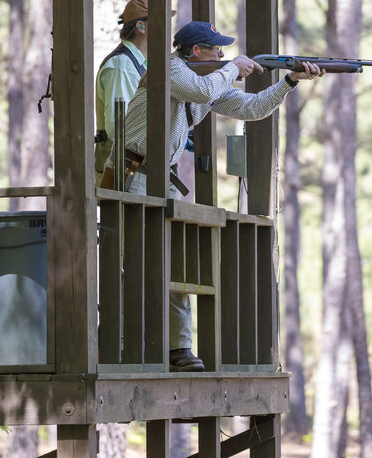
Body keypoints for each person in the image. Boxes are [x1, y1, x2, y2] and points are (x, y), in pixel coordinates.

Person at [123, 20, 324, 372]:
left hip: (161, 178)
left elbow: (252, 108)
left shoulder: (207, 80)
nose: (221, 55)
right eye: (216, 49)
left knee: (174, 261)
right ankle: (125, 344)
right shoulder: (171, 68)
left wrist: (289, 81)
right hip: (134, 173)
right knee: (135, 262)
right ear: (196, 51)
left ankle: (178, 347)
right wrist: (233, 68)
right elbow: (201, 91)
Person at [94, 0, 177, 186]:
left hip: (134, 170)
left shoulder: (139, 63)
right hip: (122, 172)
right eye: (161, 21)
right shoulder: (121, 65)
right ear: (141, 26)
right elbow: (118, 128)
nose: (167, 28)